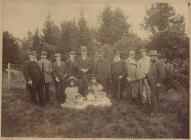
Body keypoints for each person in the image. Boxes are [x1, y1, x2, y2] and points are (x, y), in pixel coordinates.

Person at [147, 50, 165, 117]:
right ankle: (156, 110)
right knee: (155, 97)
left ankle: (153, 112)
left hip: (156, 84)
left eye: (152, 56)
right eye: (150, 56)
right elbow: (151, 73)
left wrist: (159, 82)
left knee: (152, 97)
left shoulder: (159, 63)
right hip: (152, 84)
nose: (151, 58)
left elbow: (162, 74)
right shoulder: (153, 64)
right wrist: (146, 76)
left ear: (155, 56)